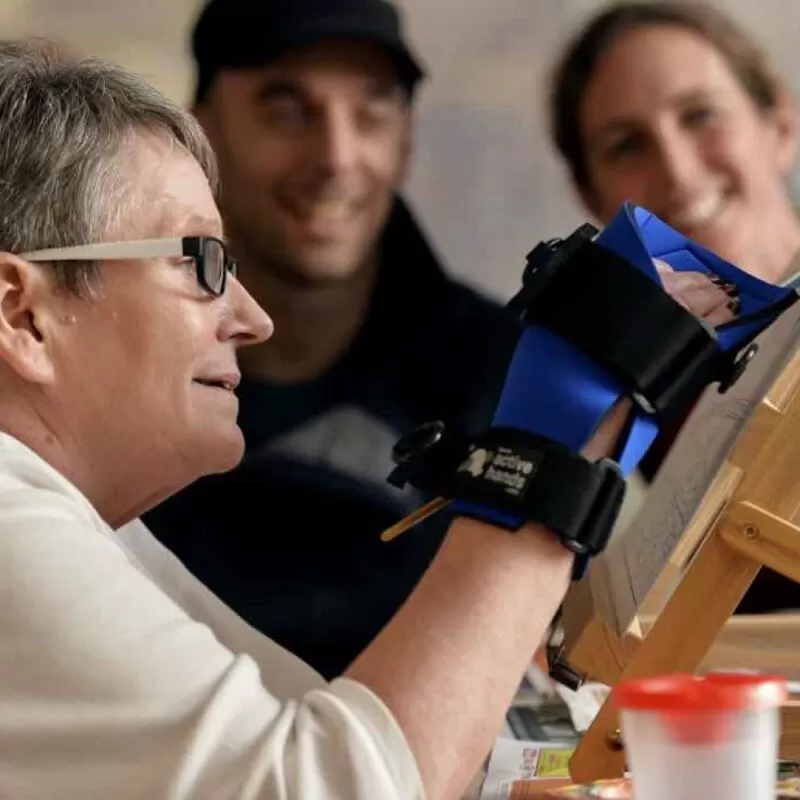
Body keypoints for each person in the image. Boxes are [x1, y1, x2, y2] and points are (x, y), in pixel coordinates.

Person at [0, 36, 738, 800]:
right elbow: (335, 788)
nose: (253, 321)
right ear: (23, 313)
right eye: (201, 263)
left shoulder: (83, 518)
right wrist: (543, 472)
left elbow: (302, 731)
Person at [142, 0, 523, 680]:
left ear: (406, 141)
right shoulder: (107, 367)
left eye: (372, 112)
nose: (336, 158)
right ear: (200, 140)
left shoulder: (505, 371)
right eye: (287, 111)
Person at [548, 0, 800, 612]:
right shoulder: (610, 393)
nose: (679, 173)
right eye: (627, 144)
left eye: (700, 115)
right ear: (591, 195)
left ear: (781, 127)